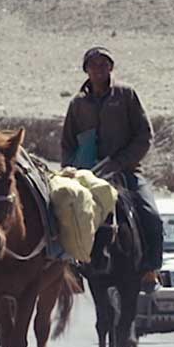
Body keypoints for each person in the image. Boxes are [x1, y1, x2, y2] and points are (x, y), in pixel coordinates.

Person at [62, 46, 162, 280]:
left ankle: (150, 267)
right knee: (60, 210)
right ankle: (65, 267)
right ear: (85, 70)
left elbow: (144, 135)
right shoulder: (78, 104)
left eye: (103, 64)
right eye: (93, 65)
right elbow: (67, 143)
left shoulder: (126, 95)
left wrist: (120, 162)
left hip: (125, 172)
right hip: (88, 176)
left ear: (111, 67)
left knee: (151, 214)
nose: (98, 70)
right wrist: (71, 170)